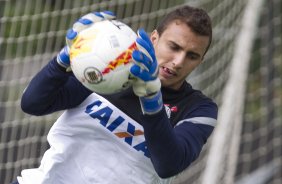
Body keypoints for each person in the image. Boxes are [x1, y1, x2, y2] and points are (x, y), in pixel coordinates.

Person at [14, 5, 217, 184]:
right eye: (174, 47)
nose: (179, 61)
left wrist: (152, 102)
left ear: (200, 61)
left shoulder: (199, 109)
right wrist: (62, 60)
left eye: (192, 56)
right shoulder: (108, 72)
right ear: (154, 38)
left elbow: (168, 166)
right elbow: (32, 104)